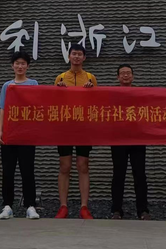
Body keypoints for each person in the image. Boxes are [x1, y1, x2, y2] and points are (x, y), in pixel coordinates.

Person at [54, 43, 97, 219]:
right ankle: (63, 206)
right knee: (65, 166)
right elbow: (53, 103)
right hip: (64, 127)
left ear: (84, 57)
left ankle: (84, 207)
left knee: (83, 165)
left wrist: (91, 92)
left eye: (80, 54)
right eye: (74, 54)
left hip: (84, 127)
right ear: (69, 56)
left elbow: (97, 103)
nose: (77, 57)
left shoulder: (90, 77)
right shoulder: (61, 77)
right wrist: (59, 92)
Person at [0, 51, 40, 220]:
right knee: (8, 171)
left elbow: (37, 106)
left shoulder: (33, 84)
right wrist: (0, 131)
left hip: (27, 134)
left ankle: (30, 205)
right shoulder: (7, 86)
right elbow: (3, 108)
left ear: (27, 66)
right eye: (17, 63)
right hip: (10, 133)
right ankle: (7, 205)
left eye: (23, 63)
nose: (20, 66)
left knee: (27, 170)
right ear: (12, 66)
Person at [110, 64, 150, 220]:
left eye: (128, 73)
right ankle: (116, 210)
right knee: (118, 174)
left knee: (140, 174)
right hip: (118, 139)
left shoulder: (140, 94)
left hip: (138, 138)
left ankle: (143, 210)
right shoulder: (112, 94)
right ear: (118, 77)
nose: (125, 75)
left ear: (133, 76)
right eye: (122, 73)